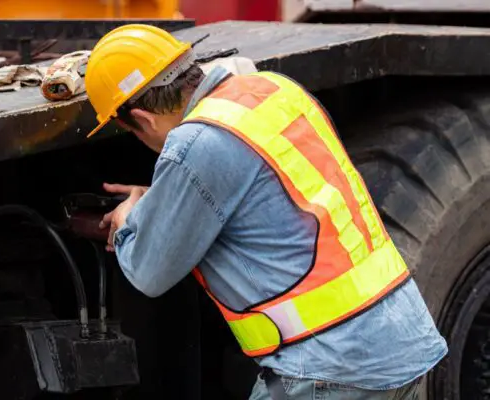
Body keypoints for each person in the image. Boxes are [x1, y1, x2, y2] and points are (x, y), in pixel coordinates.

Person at [83, 24, 448, 399]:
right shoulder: (274, 89)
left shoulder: (197, 142)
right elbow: (258, 190)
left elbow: (149, 270)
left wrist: (129, 218)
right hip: (398, 341)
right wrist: (165, 195)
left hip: (329, 367)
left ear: (141, 119)